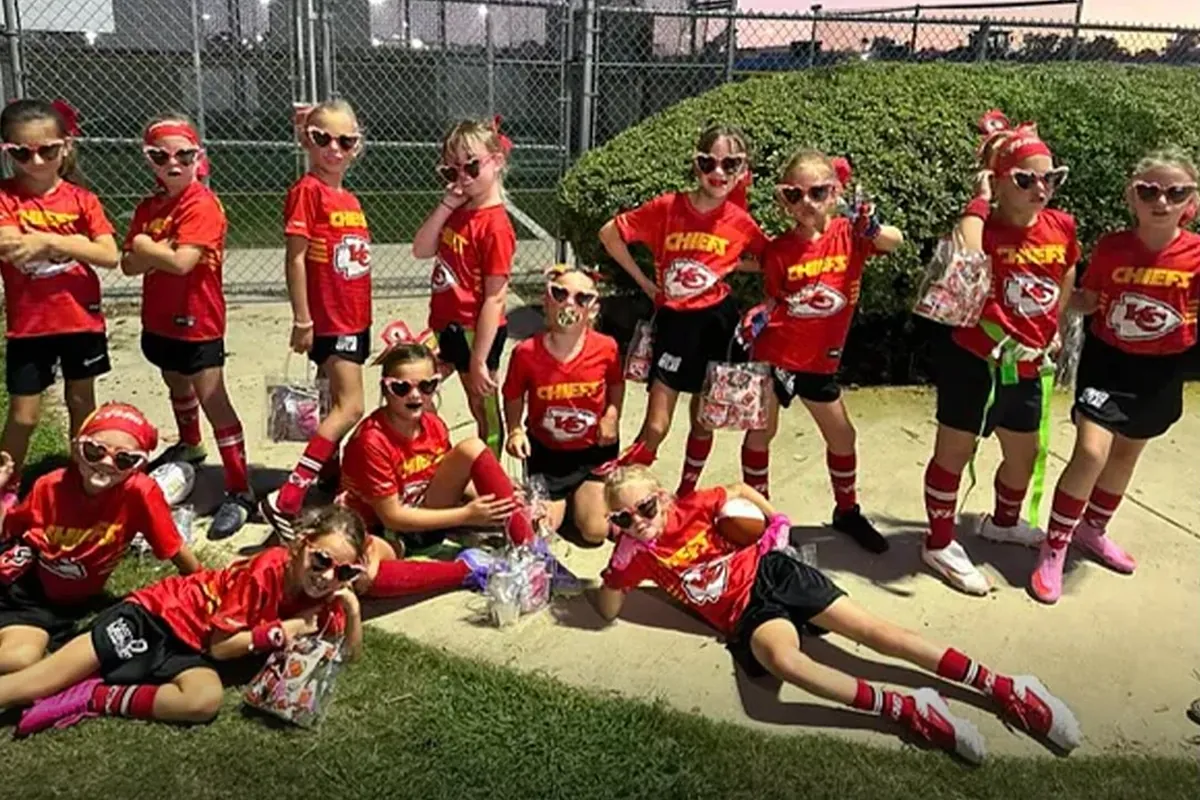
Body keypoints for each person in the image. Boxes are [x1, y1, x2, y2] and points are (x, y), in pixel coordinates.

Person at [590, 465, 1081, 763]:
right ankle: (909, 708)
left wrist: (774, 523)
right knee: (785, 663)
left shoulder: (697, 505)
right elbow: (609, 609)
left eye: (646, 507)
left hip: (772, 572)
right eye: (624, 518)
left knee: (874, 631)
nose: (639, 521)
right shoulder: (637, 555)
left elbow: (737, 489)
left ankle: (1006, 687)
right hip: (746, 613)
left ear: (664, 497)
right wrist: (617, 564)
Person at [0, 504, 366, 736]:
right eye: (321, 560)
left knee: (203, 701)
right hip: (155, 617)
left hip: (191, 650)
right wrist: (283, 630)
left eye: (344, 571)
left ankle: (94, 696)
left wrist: (352, 611)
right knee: (32, 682)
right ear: (300, 544)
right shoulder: (266, 570)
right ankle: (61, 685)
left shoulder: (327, 595)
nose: (327, 576)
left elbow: (345, 656)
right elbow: (222, 647)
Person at [920, 110, 1080, 595]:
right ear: (998, 182)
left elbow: (1067, 269)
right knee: (954, 451)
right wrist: (979, 200)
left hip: (1027, 364)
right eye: (1025, 179)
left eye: (1051, 177)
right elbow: (968, 259)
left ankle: (1003, 522)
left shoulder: (1061, 226)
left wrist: (1056, 325)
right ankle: (938, 542)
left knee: (1024, 455)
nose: (1041, 188)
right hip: (974, 360)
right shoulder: (979, 227)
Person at [1030, 148, 1198, 603]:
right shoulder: (1112, 247)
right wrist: (1046, 297)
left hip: (1162, 370)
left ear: (1192, 201)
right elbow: (1087, 299)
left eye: (1176, 192)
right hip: (1108, 362)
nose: (1161, 201)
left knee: (1125, 456)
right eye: (1149, 191)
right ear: (1132, 197)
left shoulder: (1196, 255)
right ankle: (1055, 545)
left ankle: (1093, 529)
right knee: (1090, 453)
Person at [741, 150, 904, 554]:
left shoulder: (852, 234)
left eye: (817, 192)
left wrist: (872, 226)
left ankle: (847, 512)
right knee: (760, 434)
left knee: (842, 435)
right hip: (775, 356)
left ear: (835, 194)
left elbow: (894, 241)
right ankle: (761, 520)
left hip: (819, 362)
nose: (807, 203)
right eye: (794, 194)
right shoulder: (780, 249)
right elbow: (775, 298)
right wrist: (759, 315)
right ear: (783, 200)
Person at [598, 123, 767, 497]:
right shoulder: (667, 207)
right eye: (709, 162)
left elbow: (774, 260)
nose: (718, 173)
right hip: (675, 323)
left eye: (730, 164)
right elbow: (610, 234)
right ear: (696, 163)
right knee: (656, 426)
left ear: (742, 169)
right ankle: (622, 495)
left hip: (718, 323)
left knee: (705, 419)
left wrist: (732, 264)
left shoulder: (741, 222)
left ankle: (686, 494)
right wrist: (645, 283)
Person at [120, 113, 254, 539]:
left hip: (199, 319)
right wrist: (150, 250)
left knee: (214, 400)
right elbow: (127, 265)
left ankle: (240, 490)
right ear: (149, 160)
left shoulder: (201, 204)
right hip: (159, 317)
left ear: (199, 157)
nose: (173, 163)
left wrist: (146, 246)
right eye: (160, 156)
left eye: (184, 155)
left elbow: (183, 262)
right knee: (175, 381)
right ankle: (190, 444)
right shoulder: (149, 207)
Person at [0, 403, 201, 674]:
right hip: (20, 574)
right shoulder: (51, 485)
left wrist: (208, 589)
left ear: (140, 465)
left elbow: (175, 549)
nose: (106, 463)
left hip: (41, 605)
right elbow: (10, 531)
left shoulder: (140, 494)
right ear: (76, 450)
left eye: (124, 459)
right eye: (94, 451)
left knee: (19, 659)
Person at [260, 100, 372, 540]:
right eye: (322, 138)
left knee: (330, 401)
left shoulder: (348, 198)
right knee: (351, 406)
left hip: (354, 315)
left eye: (345, 141)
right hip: (331, 319)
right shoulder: (308, 191)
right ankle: (287, 497)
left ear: (356, 146)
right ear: (306, 140)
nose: (334, 149)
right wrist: (303, 318)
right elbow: (296, 258)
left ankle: (330, 476)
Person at [0, 99, 118, 510]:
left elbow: (108, 254)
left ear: (65, 147)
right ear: (7, 151)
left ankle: (81, 477)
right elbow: (9, 244)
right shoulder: (5, 197)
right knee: (23, 416)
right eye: (21, 153)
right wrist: (74, 243)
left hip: (80, 320)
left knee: (81, 402)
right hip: (29, 325)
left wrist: (49, 241)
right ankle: (8, 484)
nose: (36, 162)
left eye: (47, 150)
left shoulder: (82, 200)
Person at [340, 337, 537, 565]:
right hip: (382, 531)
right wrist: (467, 515)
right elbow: (392, 517)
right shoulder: (372, 441)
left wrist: (500, 495)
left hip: (424, 513)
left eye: (426, 386)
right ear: (386, 389)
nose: (415, 395)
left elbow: (450, 478)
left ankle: (530, 546)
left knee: (474, 452)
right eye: (401, 388)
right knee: (374, 568)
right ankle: (494, 561)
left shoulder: (433, 425)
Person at [412, 117, 517, 459]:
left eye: (471, 166)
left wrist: (480, 360)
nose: (463, 178)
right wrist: (446, 203)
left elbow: (495, 298)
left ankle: (491, 474)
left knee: (483, 410)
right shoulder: (458, 212)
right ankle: (436, 456)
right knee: (411, 384)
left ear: (496, 162)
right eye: (451, 170)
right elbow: (421, 249)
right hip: (445, 326)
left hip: (476, 331)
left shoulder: (495, 225)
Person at [503, 266, 624, 544]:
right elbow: (513, 395)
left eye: (582, 298)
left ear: (593, 309)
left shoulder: (606, 347)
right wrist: (514, 429)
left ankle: (583, 503)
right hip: (548, 456)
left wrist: (612, 414)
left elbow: (616, 384)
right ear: (546, 300)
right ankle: (564, 505)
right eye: (560, 294)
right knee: (539, 532)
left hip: (592, 452)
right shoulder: (526, 353)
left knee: (595, 532)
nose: (569, 303)